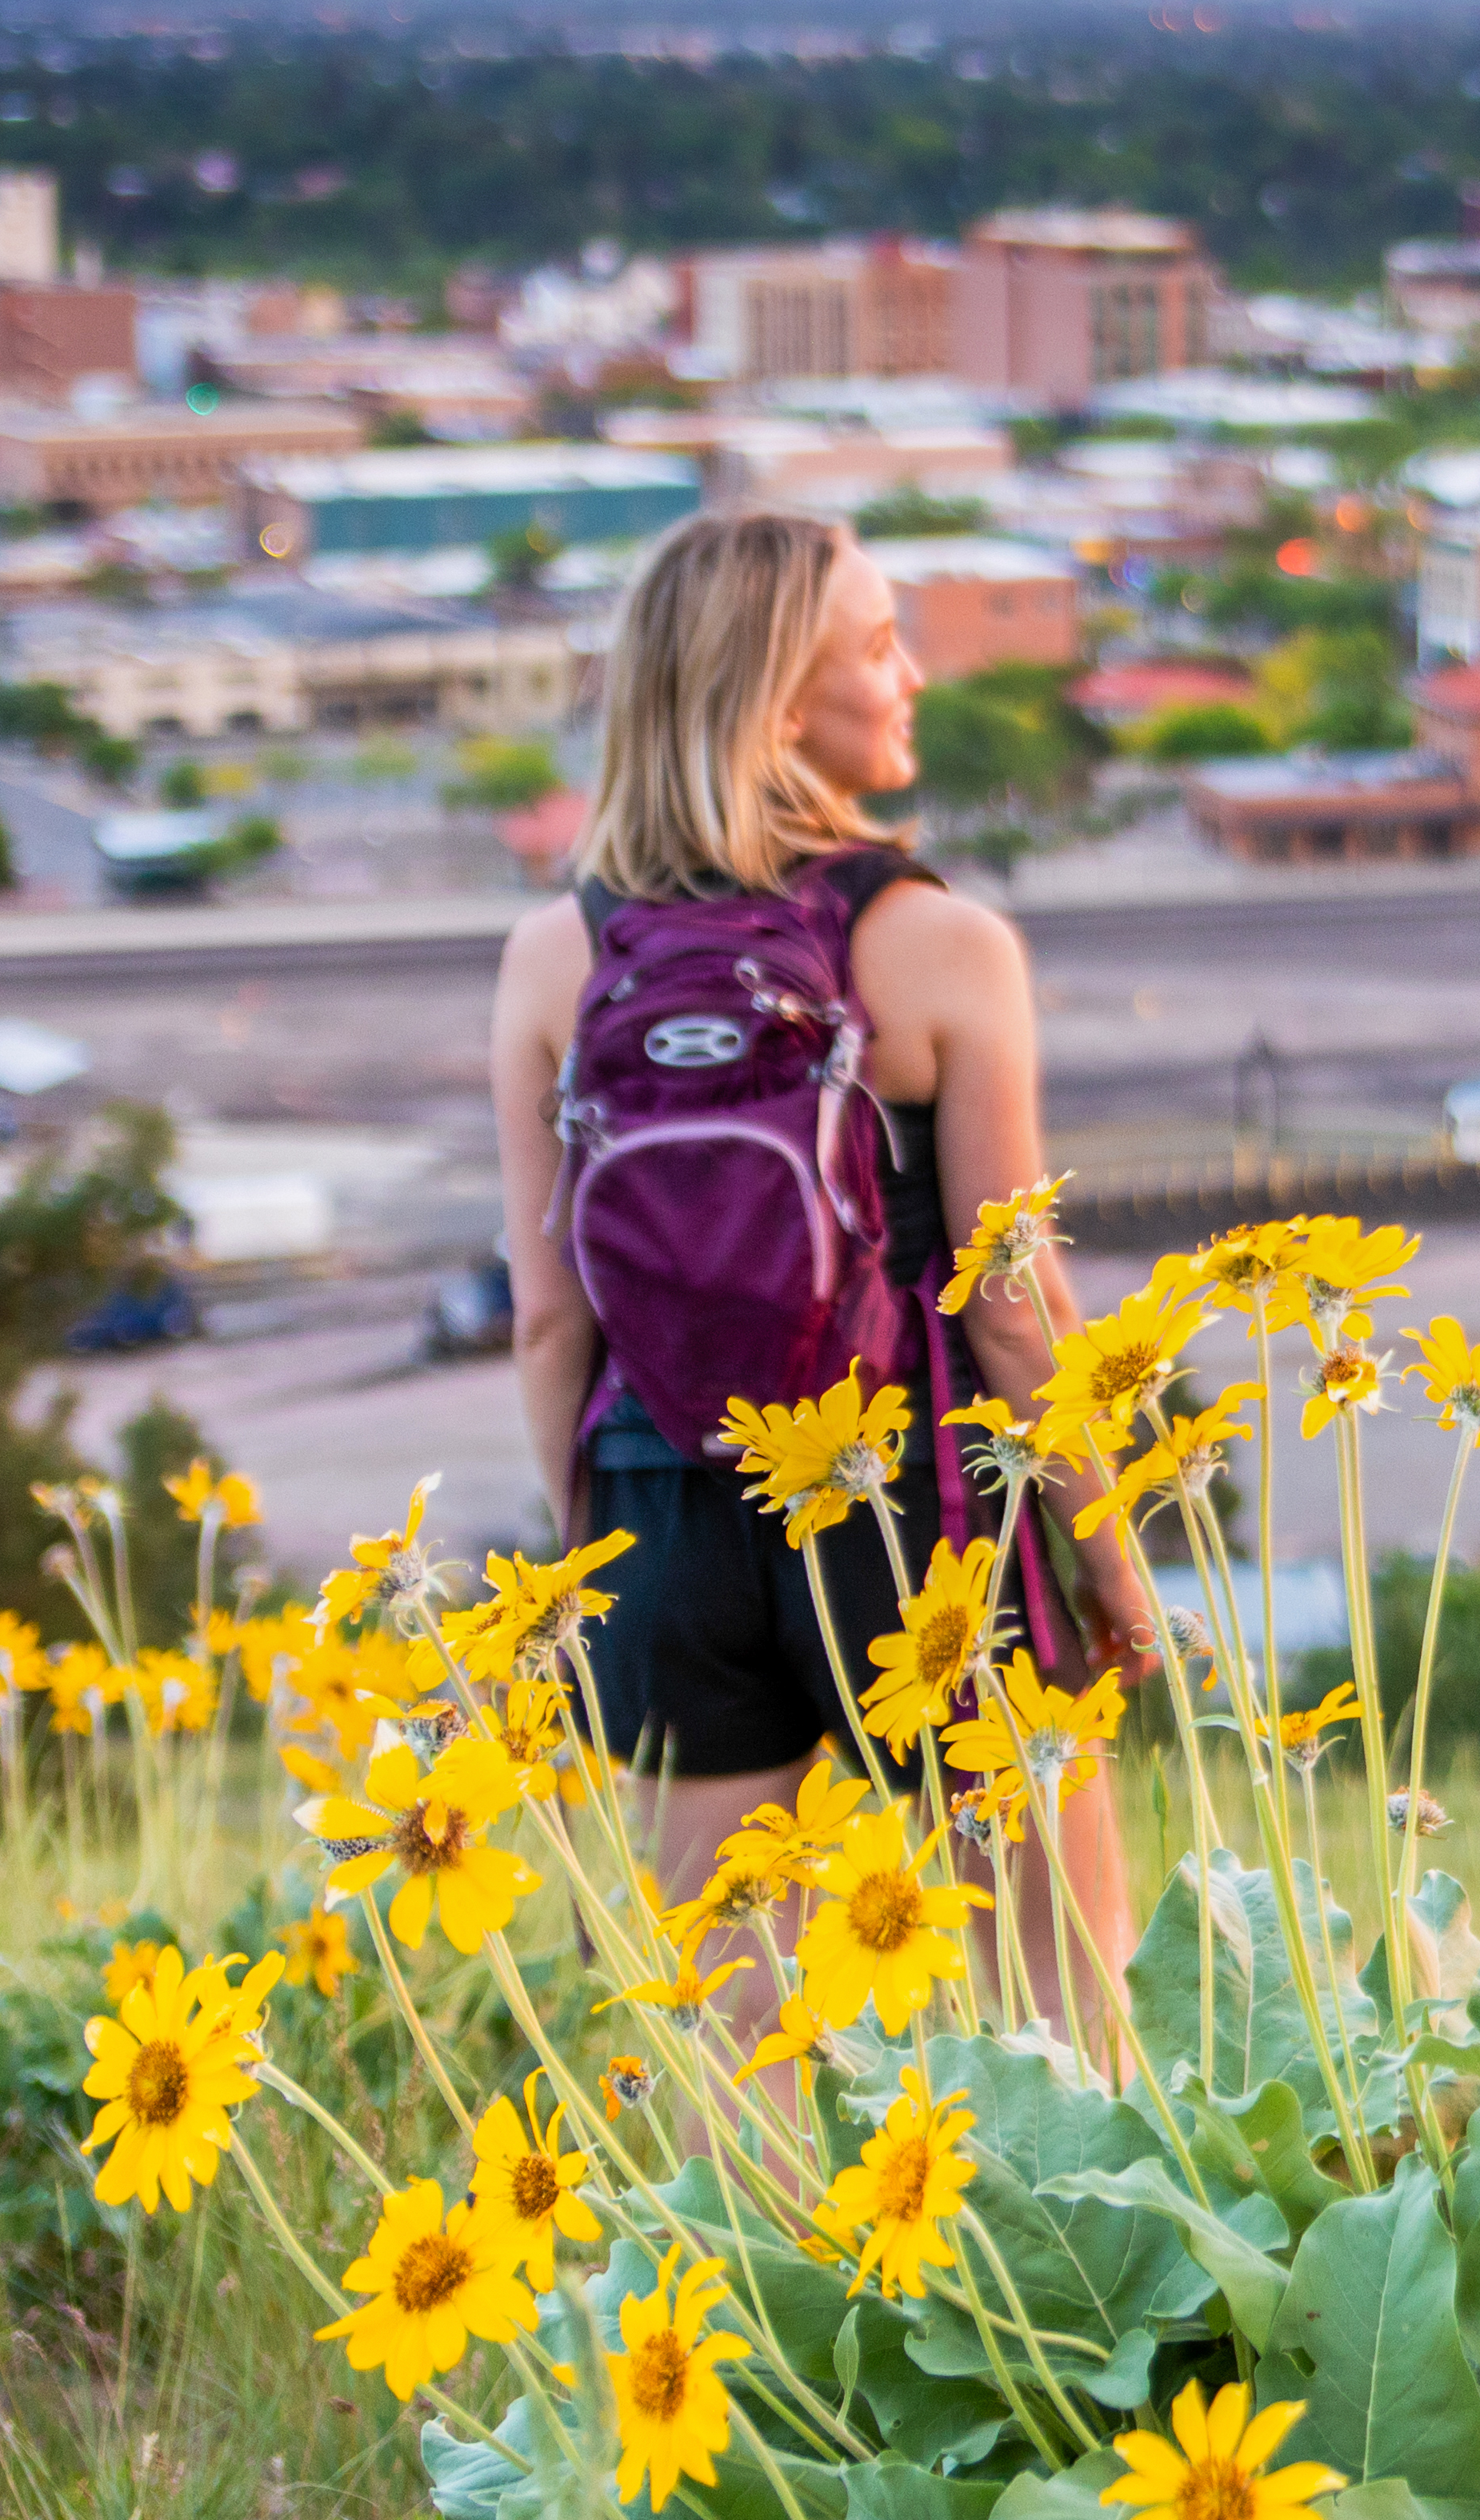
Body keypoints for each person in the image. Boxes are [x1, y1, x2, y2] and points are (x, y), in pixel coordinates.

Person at [488, 508, 1158, 2003]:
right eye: (878, 643)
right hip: (905, 1500)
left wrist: (596, 1558)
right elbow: (1010, 1292)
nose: (910, 674)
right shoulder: (935, 942)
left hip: (662, 1508)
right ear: (782, 698)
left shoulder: (556, 957)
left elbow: (549, 1318)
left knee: (732, 2025)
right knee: (1066, 1988)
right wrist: (1105, 1551)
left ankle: (751, 2249)